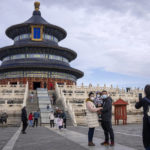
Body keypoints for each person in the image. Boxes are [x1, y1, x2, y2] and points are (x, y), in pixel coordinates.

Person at [135, 85, 150, 150]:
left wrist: (138, 101)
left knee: (146, 135)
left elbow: (137, 106)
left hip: (147, 120)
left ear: (145, 92)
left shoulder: (144, 100)